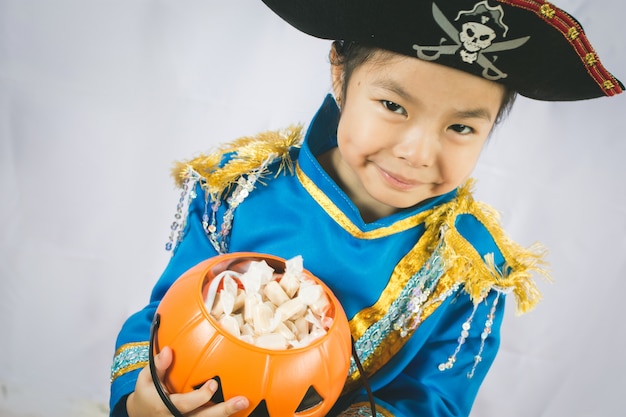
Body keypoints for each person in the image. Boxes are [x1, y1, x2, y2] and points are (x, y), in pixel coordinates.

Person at [109, 1, 623, 416]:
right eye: (393, 106)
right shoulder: (240, 189)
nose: (418, 153)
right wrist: (145, 401)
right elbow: (163, 318)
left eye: (461, 127)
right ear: (340, 74)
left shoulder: (470, 270)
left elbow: (437, 400)